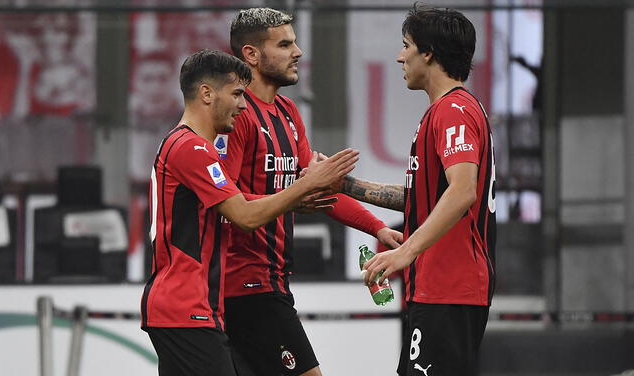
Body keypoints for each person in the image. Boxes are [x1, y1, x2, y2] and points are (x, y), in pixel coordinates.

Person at [140, 49, 359, 376]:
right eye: (237, 94)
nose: (243, 106)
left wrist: (296, 199)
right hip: (186, 309)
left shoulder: (187, 145)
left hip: (188, 307)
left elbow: (241, 208)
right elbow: (244, 216)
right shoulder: (193, 148)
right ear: (207, 94)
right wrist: (307, 183)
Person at [222, 8, 403, 376]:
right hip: (243, 285)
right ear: (251, 55)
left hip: (272, 281)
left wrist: (377, 228)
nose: (298, 52)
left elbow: (320, 191)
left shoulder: (288, 113)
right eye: (285, 44)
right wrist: (298, 193)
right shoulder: (235, 115)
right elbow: (228, 205)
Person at [332, 5, 497, 375]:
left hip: (450, 289)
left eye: (406, 45)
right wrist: (345, 184)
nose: (399, 55)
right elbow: (426, 200)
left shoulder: (454, 110)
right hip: (436, 290)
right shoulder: (443, 111)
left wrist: (405, 251)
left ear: (429, 53)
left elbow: (462, 191)